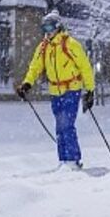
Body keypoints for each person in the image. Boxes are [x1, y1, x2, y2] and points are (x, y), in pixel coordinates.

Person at [16, 10, 95, 169]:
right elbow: (35, 67)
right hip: (54, 91)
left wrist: (90, 91)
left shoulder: (71, 44)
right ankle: (63, 160)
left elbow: (85, 67)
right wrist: (27, 84)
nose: (48, 31)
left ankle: (73, 160)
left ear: (58, 27)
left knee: (66, 124)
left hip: (71, 89)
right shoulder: (43, 47)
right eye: (44, 28)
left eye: (50, 27)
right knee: (59, 126)